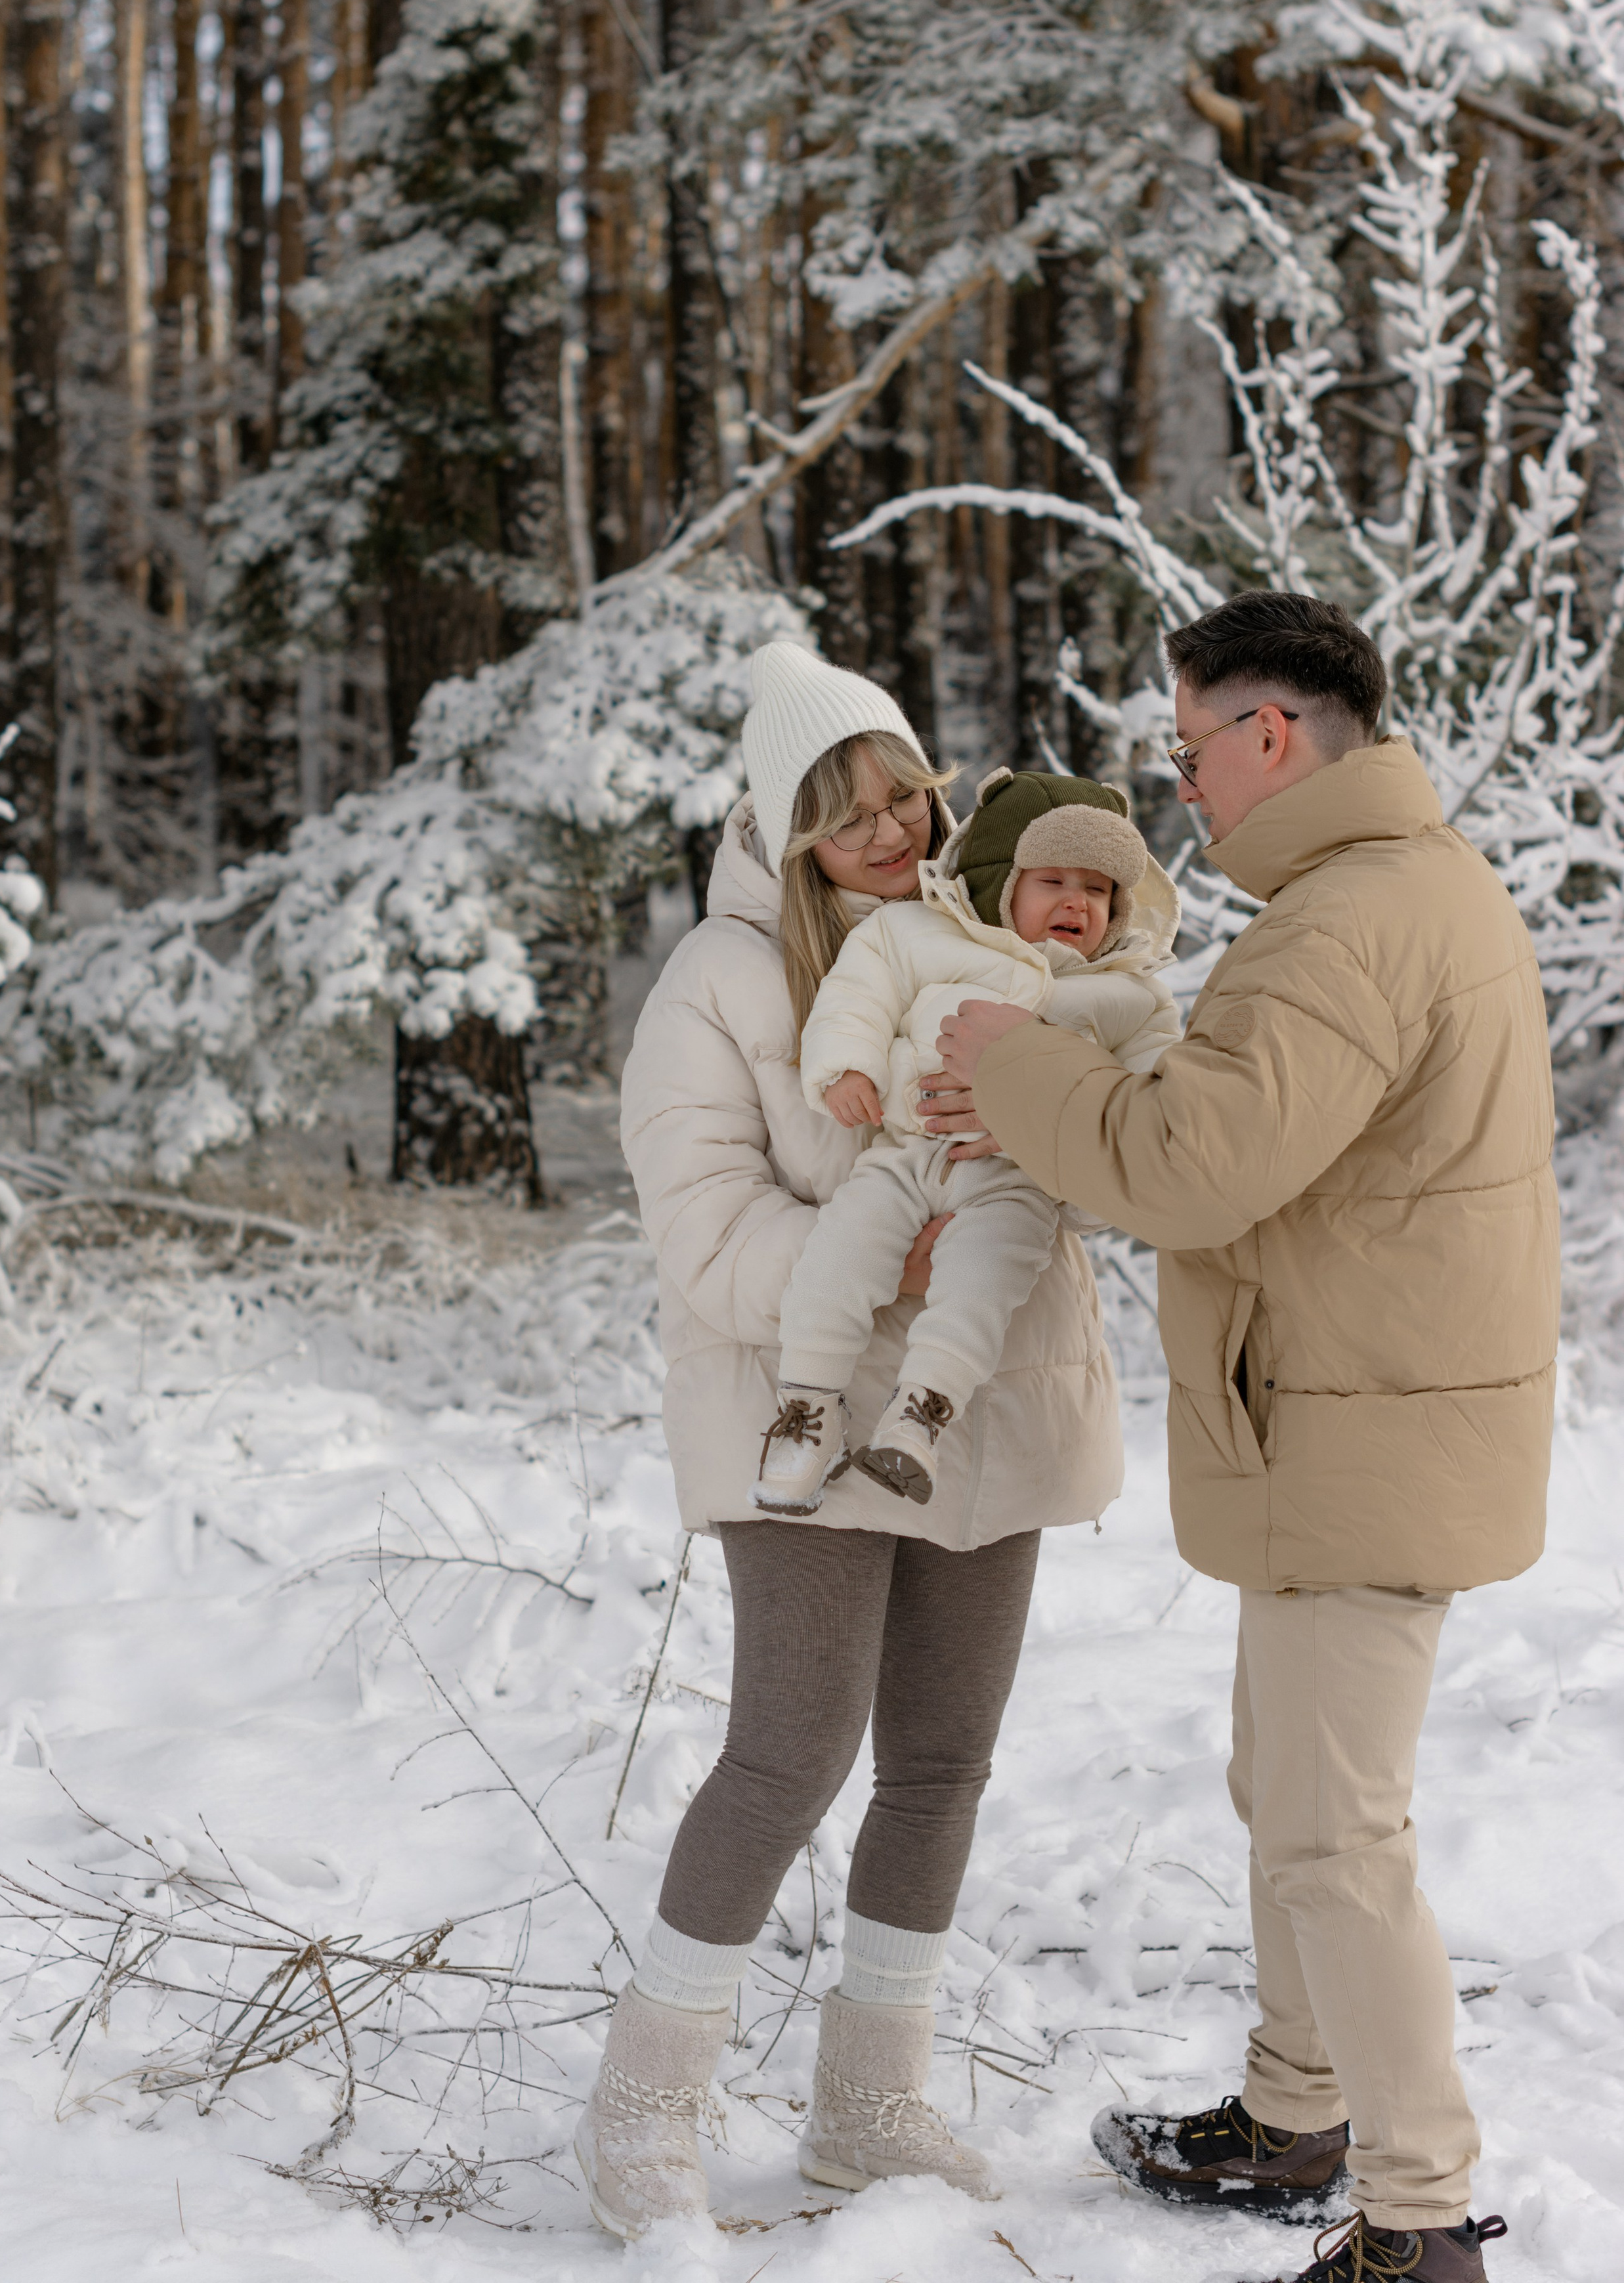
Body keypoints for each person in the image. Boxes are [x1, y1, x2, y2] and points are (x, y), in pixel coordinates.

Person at [927, 591, 1552, 2283]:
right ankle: (1293, 2115)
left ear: (1267, 733)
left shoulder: (1343, 924)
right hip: (1354, 1425)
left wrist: (1011, 1065)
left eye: (1189, 742)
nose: (1180, 781)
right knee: (1285, 1797)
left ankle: (1416, 2226)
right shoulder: (1400, 886)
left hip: (1361, 1439)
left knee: (1334, 1838)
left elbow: (1191, 1167)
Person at [576, 640, 1124, 2240]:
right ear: (784, 825)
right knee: (787, 1753)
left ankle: (869, 2103)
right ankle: (639, 2109)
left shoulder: (991, 931)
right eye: (846, 809)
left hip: (974, 1395)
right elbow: (701, 1225)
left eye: (904, 793)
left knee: (942, 1759)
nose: (890, 829)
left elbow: (1089, 1124)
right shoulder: (717, 980)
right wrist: (880, 1256)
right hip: (799, 1407)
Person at [755, 766, 1180, 1513]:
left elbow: (1144, 1112)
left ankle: (920, 1416)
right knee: (839, 1256)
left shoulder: (1132, 995)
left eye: (1098, 887)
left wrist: (1059, 1127)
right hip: (904, 1153)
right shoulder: (919, 932)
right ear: (999, 881)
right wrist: (847, 1066)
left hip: (1016, 1180)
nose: (1076, 901)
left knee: (983, 1284)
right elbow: (856, 994)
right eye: (1051, 880)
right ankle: (806, 1408)